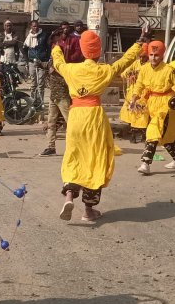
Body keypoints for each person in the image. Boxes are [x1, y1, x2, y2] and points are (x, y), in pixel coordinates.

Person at [52, 28, 146, 223]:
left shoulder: (71, 69)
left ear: (82, 49)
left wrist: (56, 47)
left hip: (76, 116)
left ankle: (69, 196)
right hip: (94, 117)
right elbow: (124, 62)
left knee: (74, 156)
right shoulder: (104, 70)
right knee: (94, 159)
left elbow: (58, 62)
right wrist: (139, 43)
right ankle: (88, 211)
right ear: (99, 51)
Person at [129, 40, 175, 175]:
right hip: (152, 104)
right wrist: (134, 98)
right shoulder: (144, 69)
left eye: (156, 55)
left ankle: (145, 163)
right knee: (164, 136)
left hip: (166, 105)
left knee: (153, 131)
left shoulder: (169, 70)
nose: (153, 58)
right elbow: (139, 85)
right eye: (151, 55)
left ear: (161, 56)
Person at [41, 23, 81, 156]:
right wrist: (43, 65)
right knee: (51, 122)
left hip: (63, 92)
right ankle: (50, 146)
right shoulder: (55, 50)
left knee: (70, 121)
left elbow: (65, 67)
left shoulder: (68, 50)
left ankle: (77, 146)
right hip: (54, 93)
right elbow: (51, 65)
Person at [119, 43, 149, 144]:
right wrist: (130, 75)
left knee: (143, 114)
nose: (142, 58)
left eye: (144, 56)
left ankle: (145, 134)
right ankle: (133, 135)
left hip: (144, 93)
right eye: (140, 56)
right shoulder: (135, 63)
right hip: (132, 92)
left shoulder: (150, 65)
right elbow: (123, 73)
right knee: (132, 113)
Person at [23, 20, 50, 108]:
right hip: (31, 62)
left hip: (41, 62)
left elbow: (48, 48)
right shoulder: (29, 36)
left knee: (41, 84)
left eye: (37, 26)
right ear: (31, 27)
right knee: (33, 84)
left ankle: (40, 103)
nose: (36, 28)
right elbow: (24, 49)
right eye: (34, 26)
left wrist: (46, 59)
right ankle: (32, 103)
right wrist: (27, 60)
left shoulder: (44, 35)